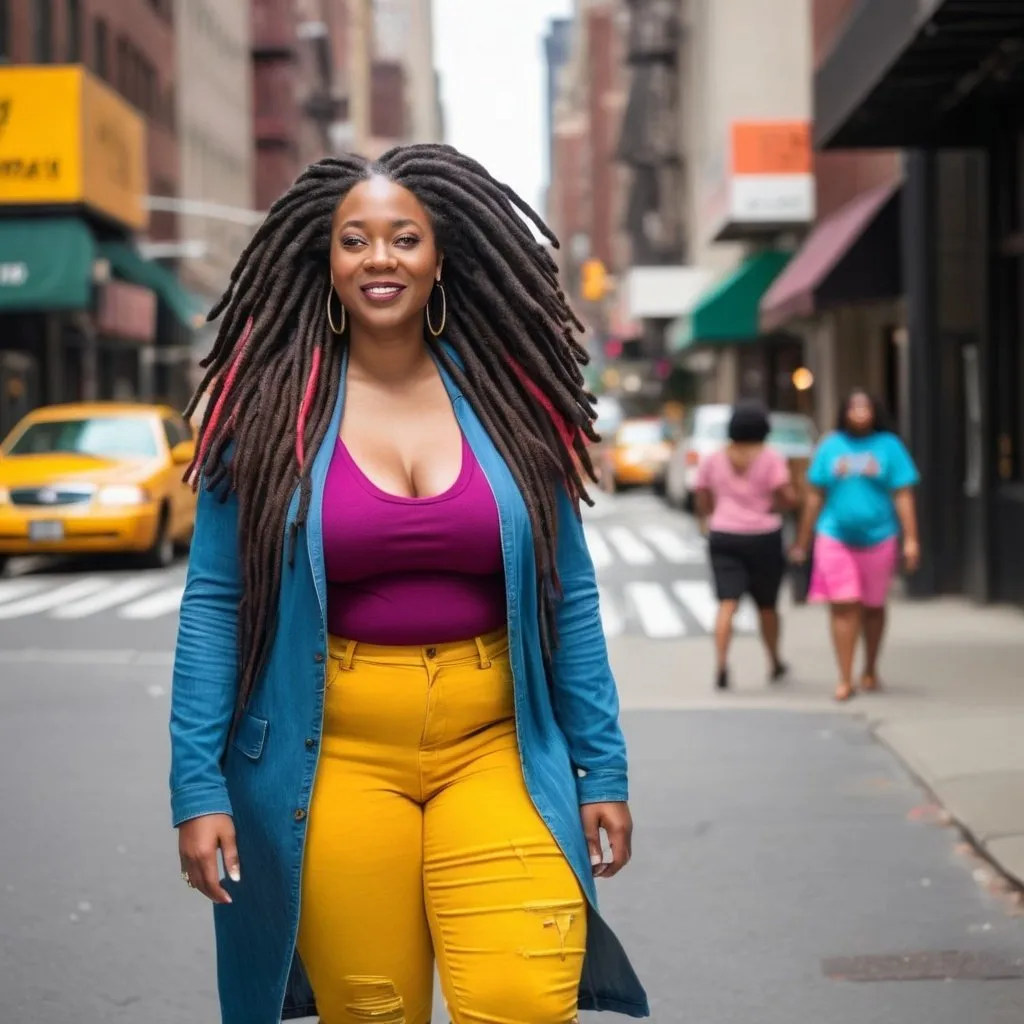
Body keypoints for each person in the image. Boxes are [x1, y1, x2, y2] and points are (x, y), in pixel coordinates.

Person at [168, 145, 648, 1024]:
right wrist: (196, 787)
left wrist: (600, 766)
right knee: (372, 1010)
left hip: (497, 743)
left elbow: (568, 595)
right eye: (355, 240)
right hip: (333, 752)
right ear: (326, 260)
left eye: (404, 238)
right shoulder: (272, 411)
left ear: (440, 257)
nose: (379, 258)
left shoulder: (510, 402)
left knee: (522, 998)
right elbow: (215, 605)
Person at [791, 389, 920, 702]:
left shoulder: (889, 446)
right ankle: (845, 677)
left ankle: (870, 667)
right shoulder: (830, 446)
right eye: (853, 406)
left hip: (879, 536)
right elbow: (815, 495)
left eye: (865, 406)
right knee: (844, 604)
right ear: (843, 411)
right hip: (835, 536)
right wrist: (803, 541)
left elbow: (902, 493)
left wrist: (912, 539)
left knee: (873, 607)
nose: (860, 412)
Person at [694, 402, 798, 690]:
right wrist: (783, 504)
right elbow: (785, 495)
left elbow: (702, 495)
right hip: (764, 535)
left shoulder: (714, 458)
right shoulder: (771, 458)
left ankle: (721, 665)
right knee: (767, 605)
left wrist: (710, 516)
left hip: (724, 533)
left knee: (727, 603)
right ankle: (774, 660)